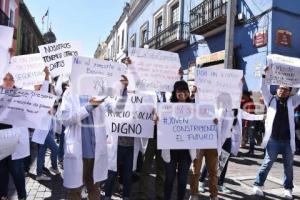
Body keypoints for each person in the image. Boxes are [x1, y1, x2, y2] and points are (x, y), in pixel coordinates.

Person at [253, 68, 300, 199]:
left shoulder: (292, 102)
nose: (282, 90)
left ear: (289, 92)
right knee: (267, 163)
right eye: (280, 88)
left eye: (285, 89)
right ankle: (258, 184)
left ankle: (288, 189)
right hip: (273, 140)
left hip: (287, 141)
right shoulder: (271, 100)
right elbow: (263, 88)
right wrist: (264, 74)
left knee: (288, 166)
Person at [58, 79, 108, 200]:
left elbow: (117, 108)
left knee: (95, 189)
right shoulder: (69, 93)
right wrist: (89, 106)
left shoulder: (99, 92)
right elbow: (65, 119)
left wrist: (123, 89)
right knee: (75, 191)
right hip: (77, 151)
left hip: (95, 151)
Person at [104, 75, 143, 200]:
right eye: (122, 81)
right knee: (112, 172)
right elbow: (117, 109)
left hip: (131, 145)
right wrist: (125, 90)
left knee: (128, 175)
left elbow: (143, 114)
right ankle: (107, 195)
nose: (125, 83)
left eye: (127, 82)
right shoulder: (113, 97)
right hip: (117, 144)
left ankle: (126, 196)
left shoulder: (138, 97)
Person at [162, 80, 196, 200]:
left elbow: (203, 122)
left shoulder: (194, 108)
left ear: (187, 92)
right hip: (171, 151)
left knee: (182, 180)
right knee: (169, 179)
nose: (181, 94)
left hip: (186, 152)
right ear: (175, 93)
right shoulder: (167, 108)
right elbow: (163, 126)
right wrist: (157, 120)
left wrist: (213, 121)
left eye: (184, 91)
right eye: (178, 91)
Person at [0, 73, 29, 200]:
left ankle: (22, 196)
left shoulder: (21, 95)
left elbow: (33, 110)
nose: (8, 81)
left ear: (14, 80)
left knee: (16, 170)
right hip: (0, 139)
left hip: (14, 139)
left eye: (10, 78)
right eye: (5, 79)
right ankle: (3, 195)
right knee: (1, 172)